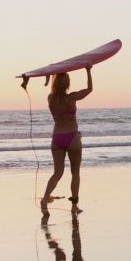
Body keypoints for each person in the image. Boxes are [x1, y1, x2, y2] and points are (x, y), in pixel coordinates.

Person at [40, 65, 92, 216]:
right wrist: (88, 71)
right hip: (72, 137)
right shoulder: (72, 98)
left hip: (56, 139)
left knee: (57, 173)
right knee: (75, 173)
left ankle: (44, 199)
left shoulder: (50, 99)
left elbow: (51, 87)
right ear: (67, 84)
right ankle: (74, 206)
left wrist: (48, 76)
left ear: (55, 84)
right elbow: (89, 89)